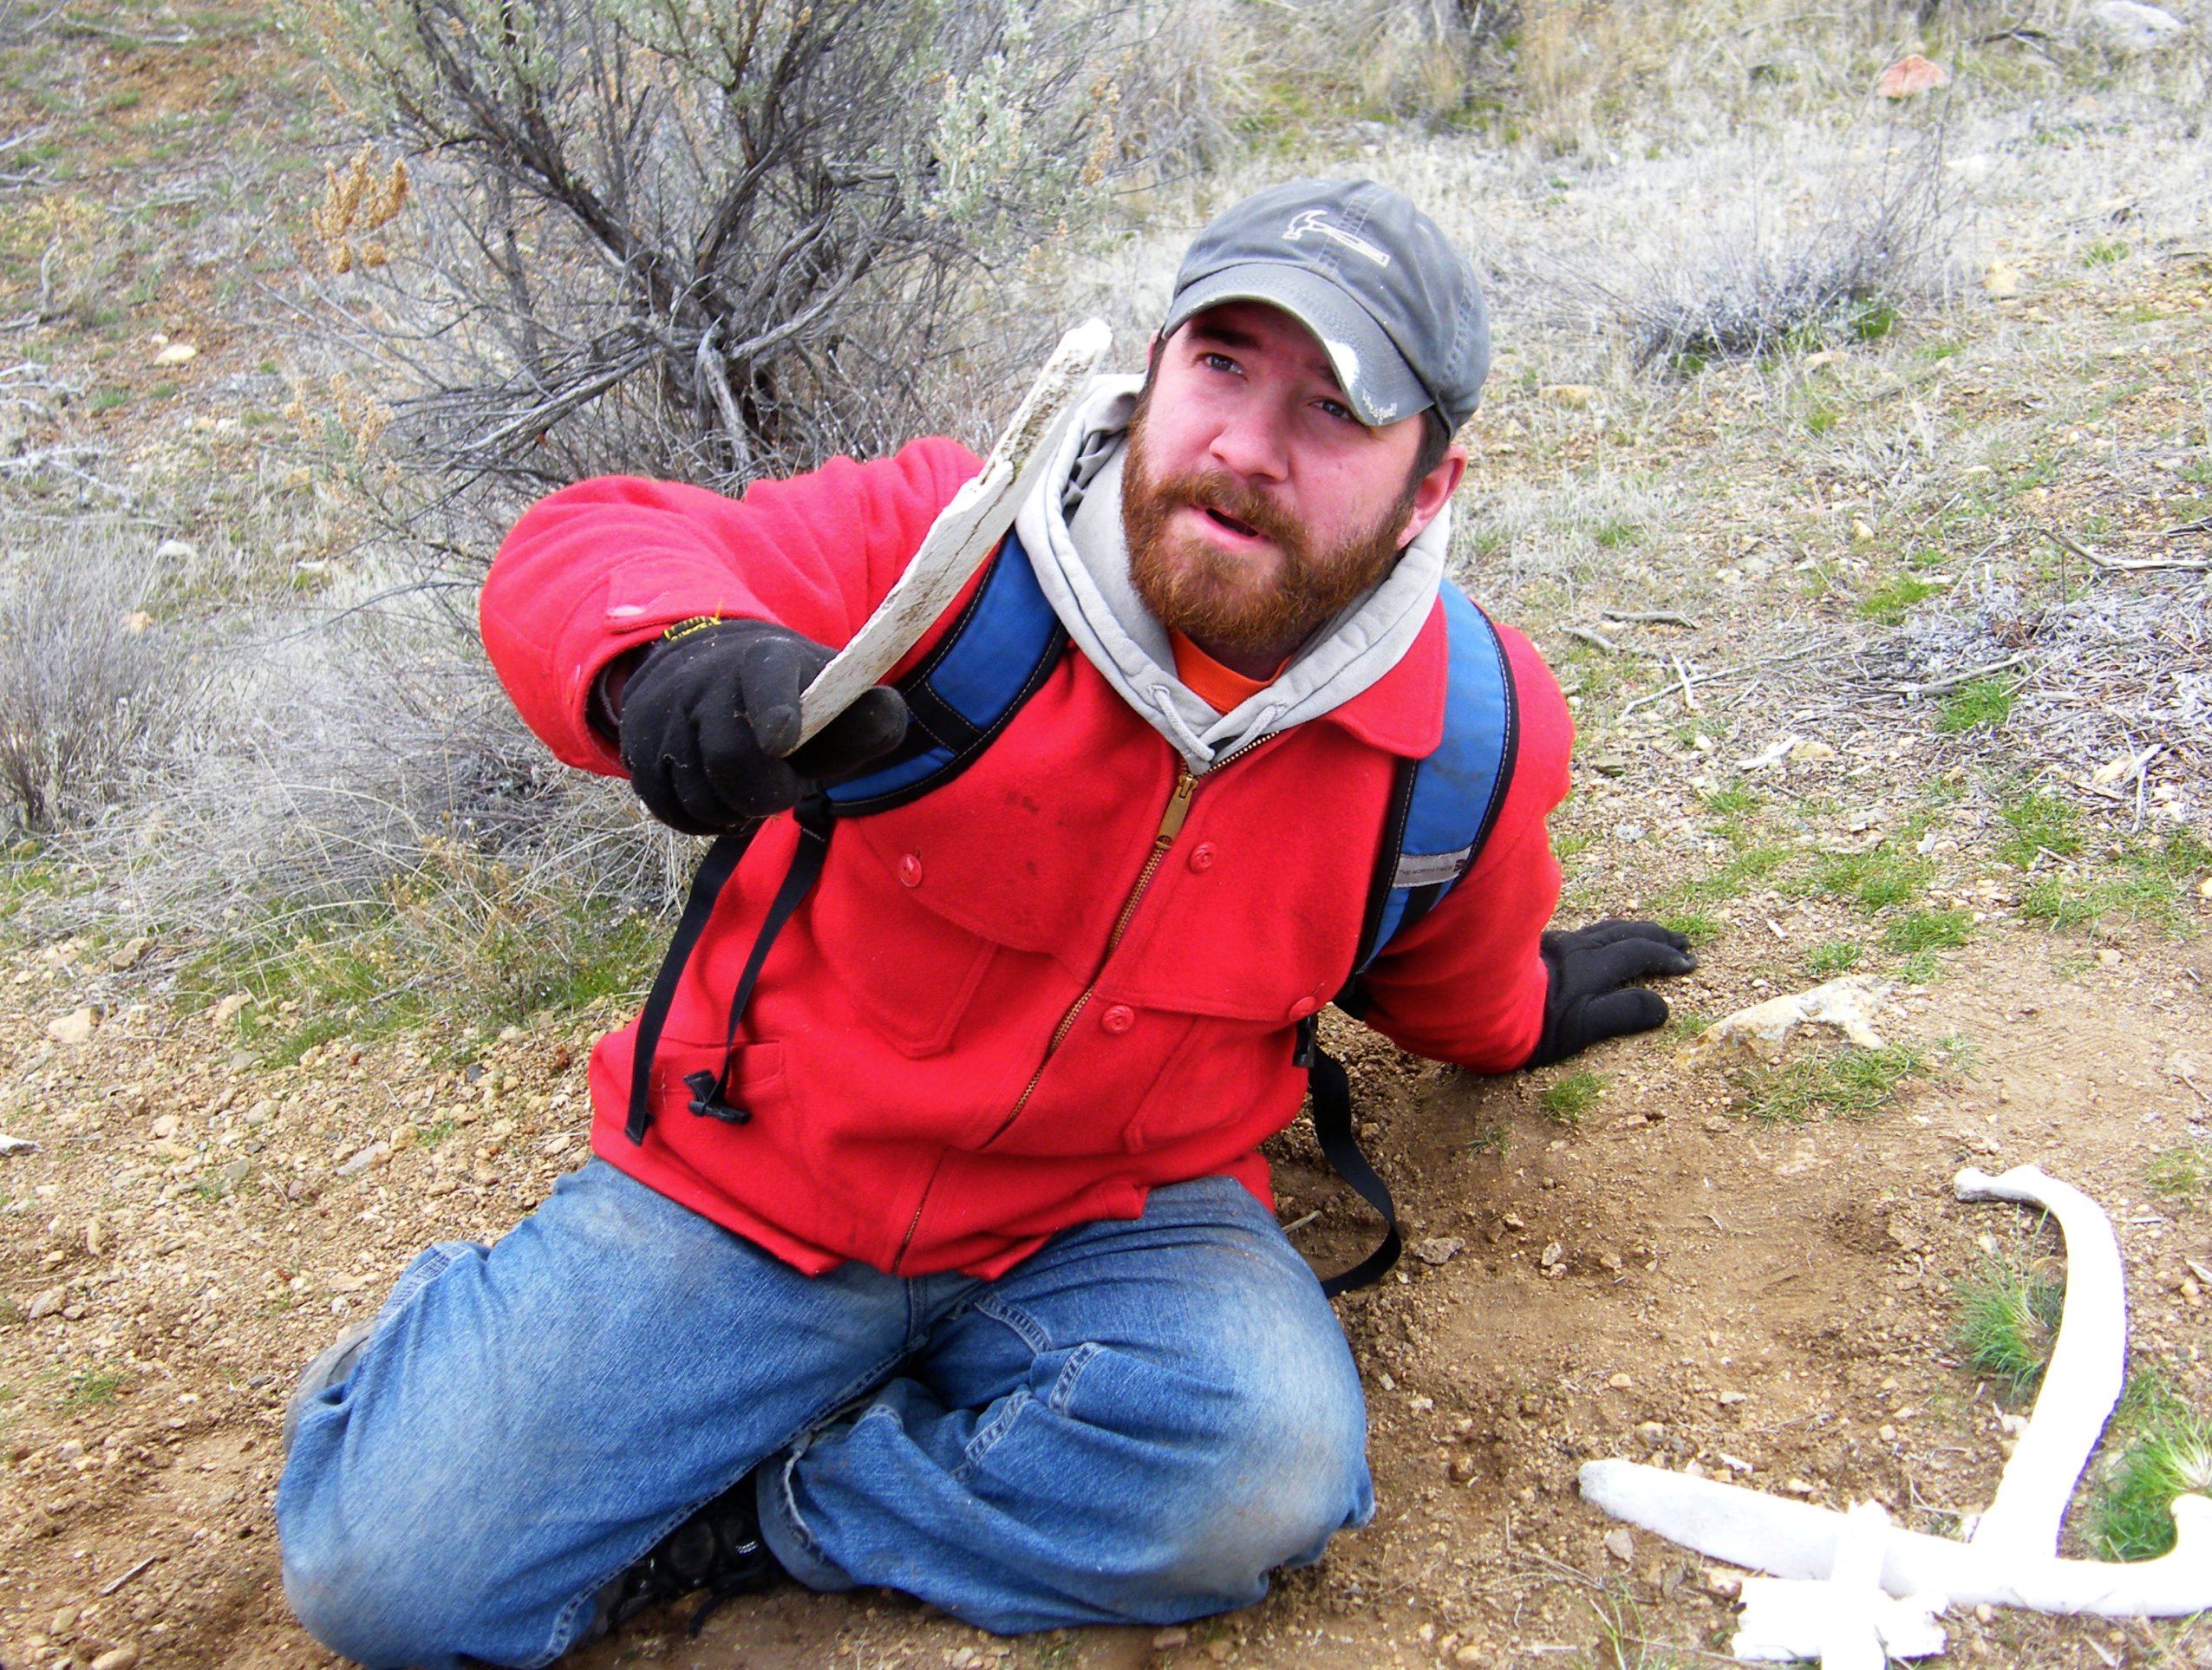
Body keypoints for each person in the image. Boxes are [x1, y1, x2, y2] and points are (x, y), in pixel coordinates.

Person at [273, 178, 1694, 1670]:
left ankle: (781, 1512)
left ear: (1430, 486)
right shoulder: (952, 551)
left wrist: (1520, 1017)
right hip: (756, 1188)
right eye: (1220, 364)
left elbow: (1444, 968)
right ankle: (488, 1371)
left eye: (1332, 410)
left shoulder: (1466, 731)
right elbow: (588, 543)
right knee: (388, 1580)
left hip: (1120, 1217)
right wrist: (672, 657)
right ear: (1159, 367)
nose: (1244, 446)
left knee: (1261, 1473)